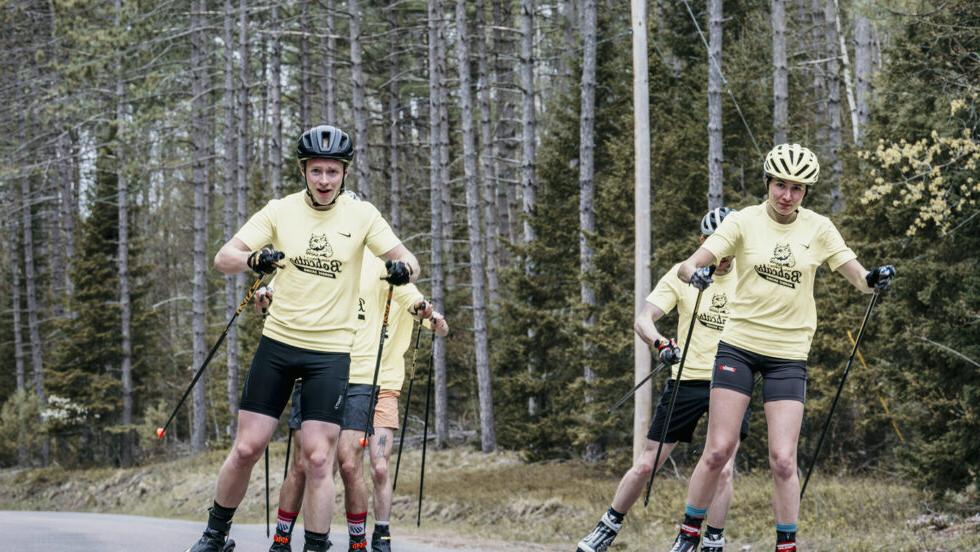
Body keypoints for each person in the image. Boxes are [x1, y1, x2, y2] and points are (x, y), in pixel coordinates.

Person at [184, 124, 421, 552]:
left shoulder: (362, 215)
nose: (325, 180)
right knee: (246, 447)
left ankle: (315, 545)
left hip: (330, 352)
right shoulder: (280, 210)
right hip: (278, 344)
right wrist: (255, 257)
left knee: (317, 458)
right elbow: (224, 258)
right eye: (316, 171)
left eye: (332, 171)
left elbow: (409, 260)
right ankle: (215, 533)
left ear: (344, 173)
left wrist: (404, 269)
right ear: (303, 171)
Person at [665, 144, 895, 552]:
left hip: (788, 353)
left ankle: (786, 546)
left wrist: (875, 278)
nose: (787, 195)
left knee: (783, 460)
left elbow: (859, 278)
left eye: (797, 188)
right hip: (738, 345)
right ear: (768, 183)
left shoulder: (819, 229)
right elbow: (689, 263)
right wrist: (696, 271)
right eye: (780, 185)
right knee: (718, 450)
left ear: (806, 192)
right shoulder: (742, 222)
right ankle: (688, 536)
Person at [577, 207, 748, 552]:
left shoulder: (748, 277)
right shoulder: (684, 274)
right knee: (645, 464)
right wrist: (661, 343)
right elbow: (644, 319)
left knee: (724, 469)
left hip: (730, 381)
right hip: (687, 379)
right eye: (717, 246)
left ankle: (712, 540)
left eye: (730, 247)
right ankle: (607, 527)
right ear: (703, 242)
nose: (725, 256)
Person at [265, 250, 449, 552]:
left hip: (372, 379)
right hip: (321, 369)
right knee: (309, 463)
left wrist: (430, 315)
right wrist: (269, 295)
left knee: (359, 465)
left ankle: (369, 538)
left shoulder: (384, 269)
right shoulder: (323, 260)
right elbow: (290, 283)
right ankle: (292, 539)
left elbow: (419, 305)